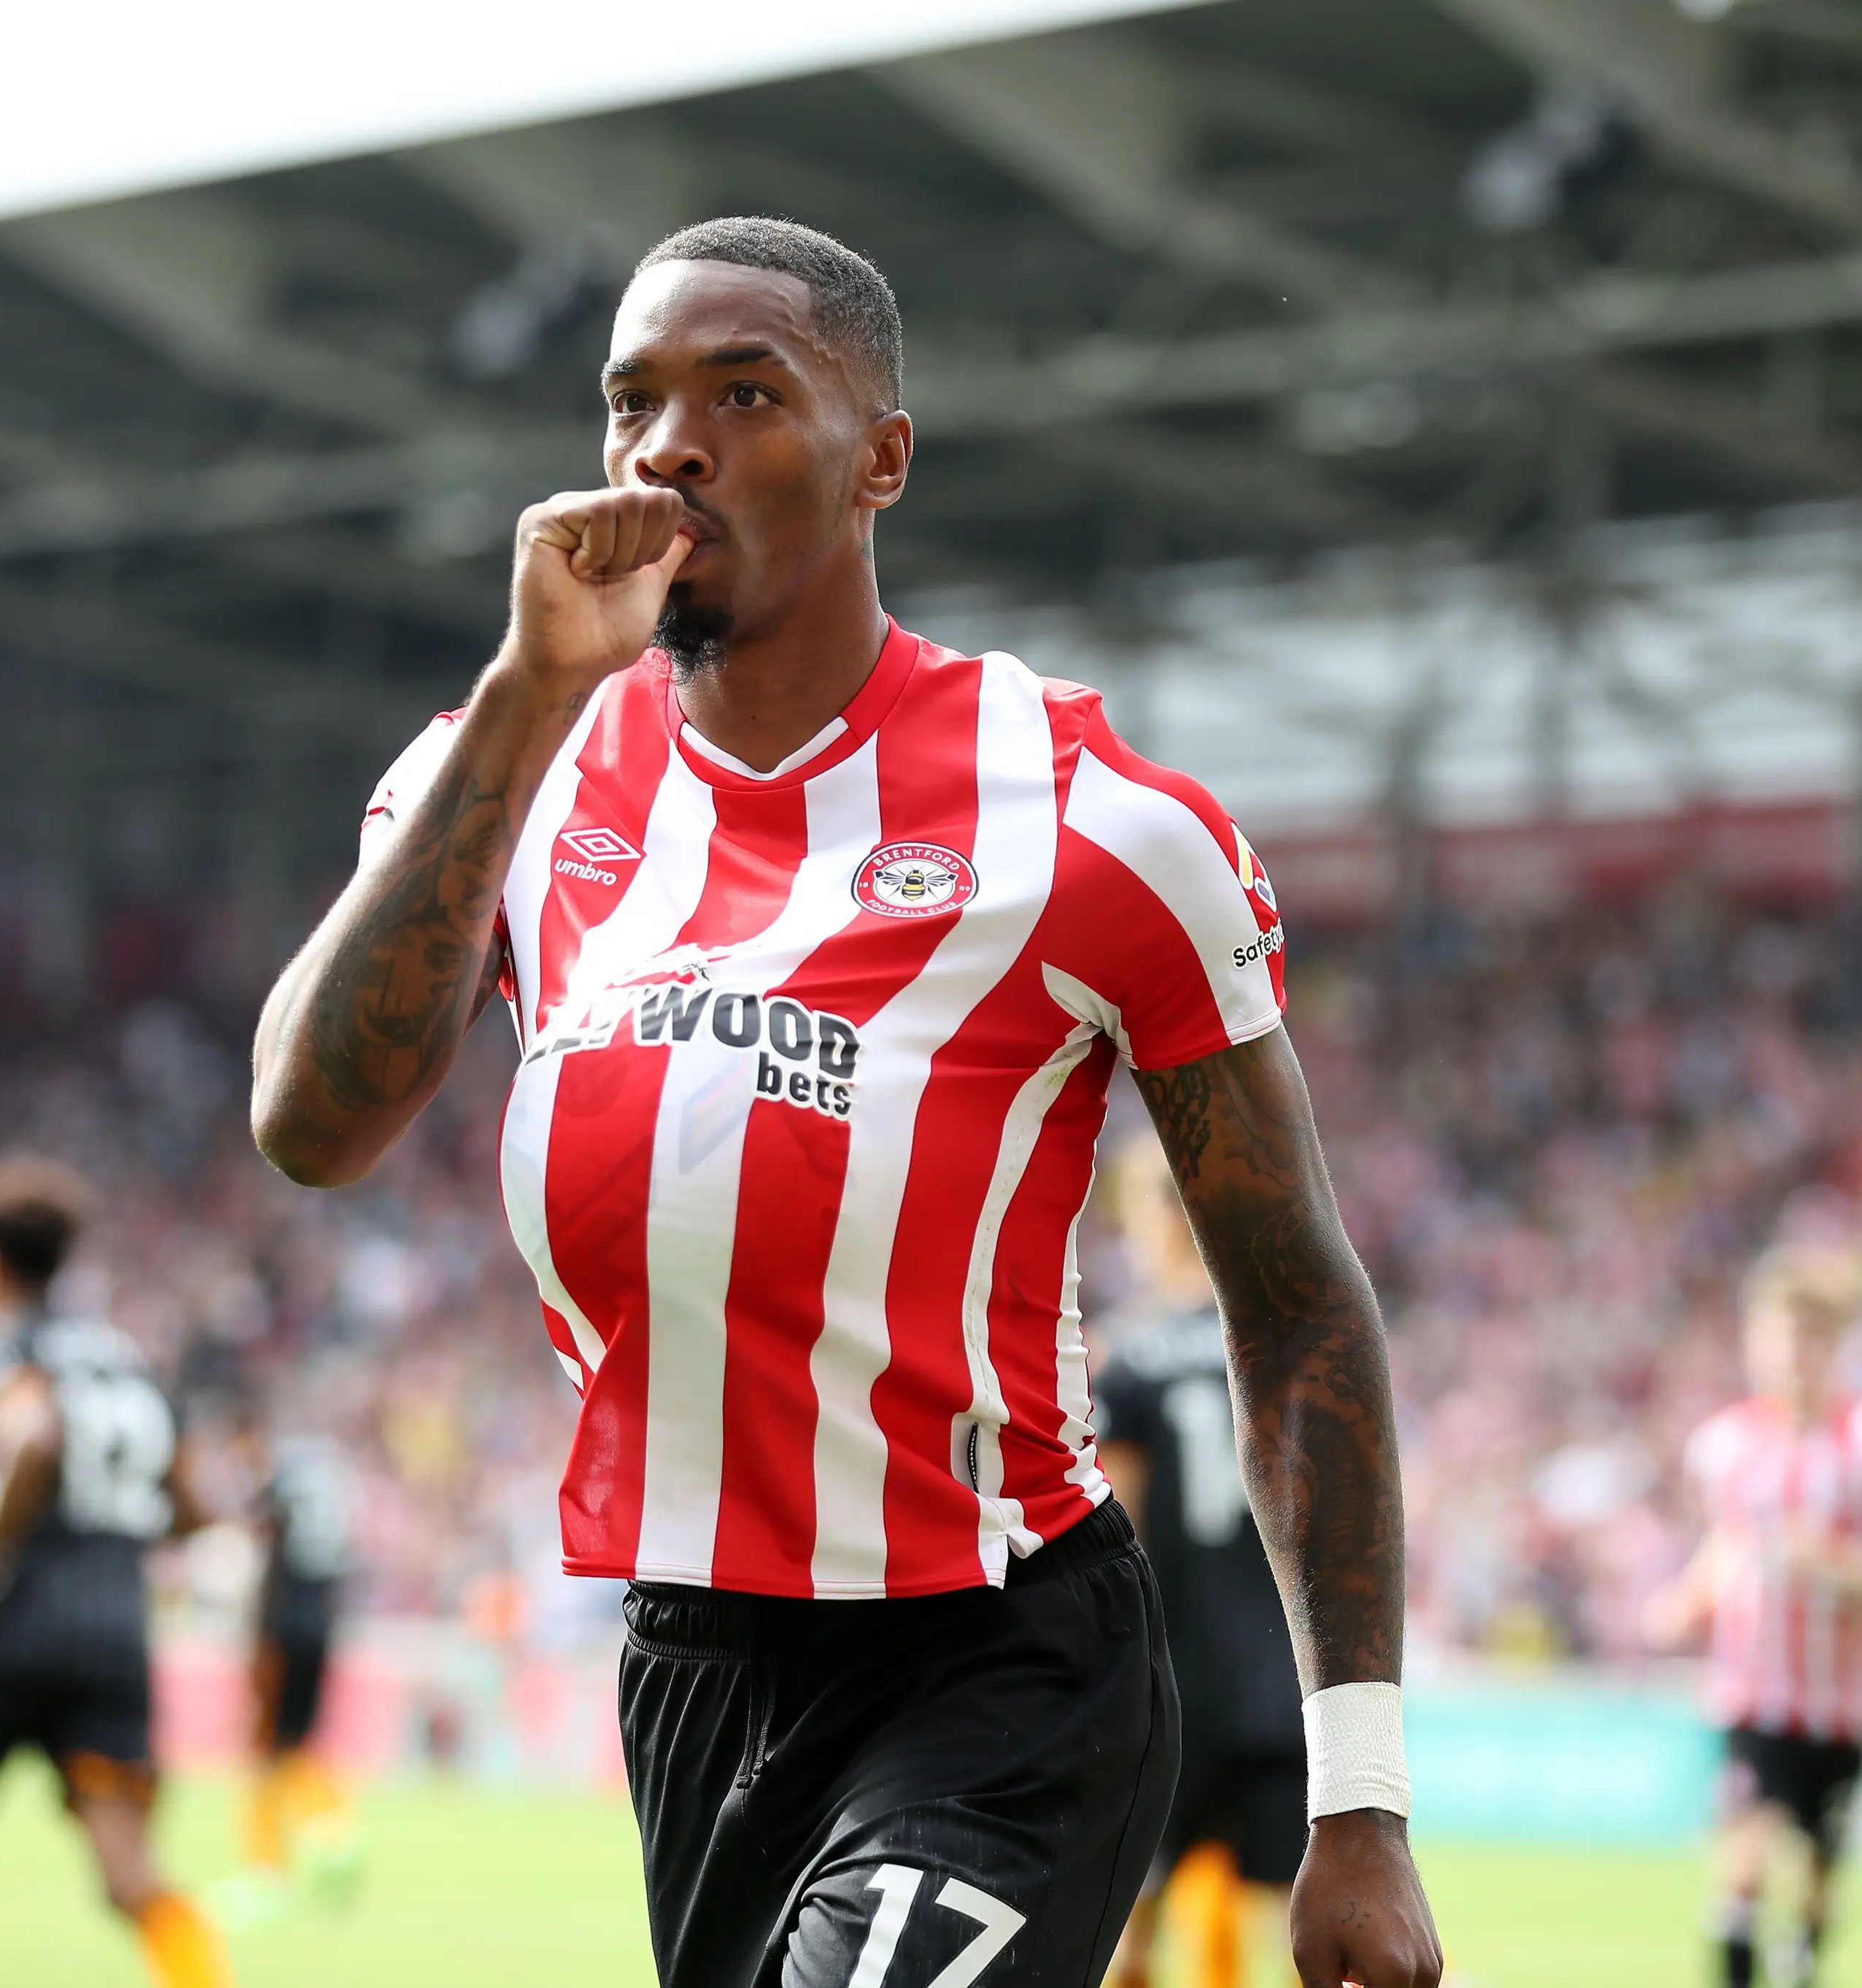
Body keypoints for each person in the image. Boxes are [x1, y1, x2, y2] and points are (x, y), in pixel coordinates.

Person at [250, 215, 1437, 1988]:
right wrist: (520, 696)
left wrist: (1359, 1802)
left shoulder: (1092, 823)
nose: (669, 447)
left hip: (1001, 1668)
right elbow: (309, 1120)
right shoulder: (504, 773)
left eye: (744, 392)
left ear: (881, 457)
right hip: (692, 1674)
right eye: (631, 403)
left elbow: (1292, 1301)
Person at [0, 1156, 230, 1988]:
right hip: (114, 1629)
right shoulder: (131, 1359)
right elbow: (191, 1504)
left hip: (13, 1619)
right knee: (130, 1876)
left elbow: (32, 1438)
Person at [1650, 1246, 1862, 1988]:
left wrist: (1844, 1565)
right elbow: (1729, 1546)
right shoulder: (1726, 1443)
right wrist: (1685, 1599)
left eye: (1810, 1337)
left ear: (1839, 1341)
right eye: (1779, 1336)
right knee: (1742, 1864)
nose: (1791, 1355)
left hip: (1841, 1704)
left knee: (1814, 1882)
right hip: (1753, 1692)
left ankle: (1802, 1957)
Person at [1093, 1145, 1307, 1988]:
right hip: (1277, 1673)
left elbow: (1121, 1527)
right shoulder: (1278, 1341)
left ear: (1157, 1218)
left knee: (1122, 1928)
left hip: (1172, 1680)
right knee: (1298, 1931)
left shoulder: (1130, 1357)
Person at [238, 1420, 362, 1901]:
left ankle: (266, 1869)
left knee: (266, 1746)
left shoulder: (285, 1485)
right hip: (322, 1624)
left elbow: (270, 1557)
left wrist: (257, 1636)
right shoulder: (334, 1487)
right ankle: (338, 1832)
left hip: (284, 1629)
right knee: (300, 1742)